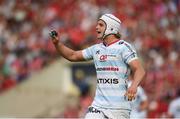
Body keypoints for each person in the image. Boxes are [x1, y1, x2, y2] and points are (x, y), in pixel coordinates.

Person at [49, 14, 145, 119]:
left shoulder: (124, 47)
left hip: (118, 107)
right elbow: (73, 55)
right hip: (98, 105)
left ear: (111, 27)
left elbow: (139, 70)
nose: (96, 27)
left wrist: (134, 86)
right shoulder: (96, 49)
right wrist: (57, 44)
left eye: (101, 25)